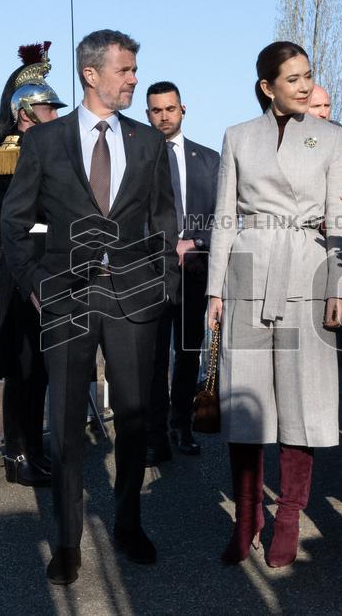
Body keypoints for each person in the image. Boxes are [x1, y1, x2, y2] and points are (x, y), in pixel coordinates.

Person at [0, 29, 179, 585]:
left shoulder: (148, 143)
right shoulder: (44, 142)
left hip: (134, 299)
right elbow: (13, 222)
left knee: (134, 419)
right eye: (125, 70)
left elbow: (165, 219)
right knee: (65, 425)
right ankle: (68, 541)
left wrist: (164, 283)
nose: (133, 80)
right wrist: (36, 284)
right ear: (91, 74)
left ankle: (128, 523)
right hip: (65, 298)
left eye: (134, 69)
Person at [207, 41, 342, 568]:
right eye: (293, 78)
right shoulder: (238, 136)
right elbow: (224, 217)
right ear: (267, 86)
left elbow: (341, 219)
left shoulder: (332, 138)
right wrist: (214, 291)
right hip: (248, 268)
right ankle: (247, 517)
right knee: (245, 401)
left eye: (308, 75)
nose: (305, 86)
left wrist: (340, 286)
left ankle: (289, 517)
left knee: (301, 400)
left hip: (307, 268)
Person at [0, 41, 67, 488]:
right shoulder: (13, 150)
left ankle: (33, 448)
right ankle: (17, 454)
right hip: (25, 267)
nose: (55, 115)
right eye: (48, 108)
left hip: (45, 264)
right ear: (26, 113)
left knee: (39, 367)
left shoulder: (41, 147)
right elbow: (26, 216)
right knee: (23, 367)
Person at [144, 81, 219, 464]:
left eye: (170, 109)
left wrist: (195, 242)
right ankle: (155, 436)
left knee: (189, 353)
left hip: (195, 271)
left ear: (183, 110)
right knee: (155, 357)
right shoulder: (138, 161)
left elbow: (224, 217)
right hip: (152, 272)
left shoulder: (209, 160)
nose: (164, 117)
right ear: (147, 115)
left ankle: (182, 426)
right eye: (156, 111)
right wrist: (163, 245)